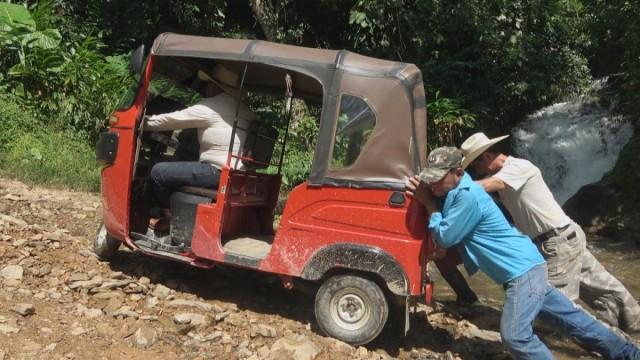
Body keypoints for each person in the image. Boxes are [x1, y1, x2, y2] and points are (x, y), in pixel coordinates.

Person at [405, 146, 640, 359]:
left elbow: (445, 236)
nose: (433, 184)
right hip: (529, 266)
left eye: (438, 179)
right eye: (430, 179)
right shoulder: (456, 191)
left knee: (515, 336)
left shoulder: (467, 196)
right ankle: (630, 353)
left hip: (523, 273)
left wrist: (429, 204)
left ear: (458, 172)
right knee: (575, 322)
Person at [460, 132, 640, 334]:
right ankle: (634, 326)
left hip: (556, 242)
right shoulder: (507, 173)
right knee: (604, 289)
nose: (476, 170)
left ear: (485, 156)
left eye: (475, 165)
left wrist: (451, 186)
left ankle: (617, 344)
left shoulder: (518, 168)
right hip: (563, 236)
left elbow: (486, 186)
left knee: (557, 308)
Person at [144, 77, 256, 230]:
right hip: (241, 176)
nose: (206, 87)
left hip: (217, 172)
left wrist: (142, 121)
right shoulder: (245, 110)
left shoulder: (211, 107)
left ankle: (169, 219)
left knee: (158, 171)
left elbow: (171, 120)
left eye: (208, 83)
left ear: (214, 85)